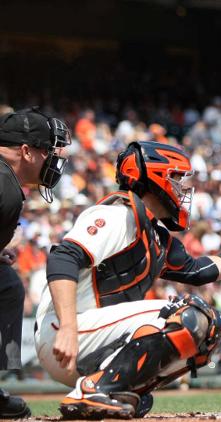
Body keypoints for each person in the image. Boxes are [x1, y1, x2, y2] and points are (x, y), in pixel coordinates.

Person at [34, 141, 221, 419]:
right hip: (65, 332)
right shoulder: (118, 214)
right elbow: (62, 258)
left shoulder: (154, 234)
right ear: (155, 176)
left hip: (93, 338)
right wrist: (67, 328)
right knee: (188, 314)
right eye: (176, 178)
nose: (182, 188)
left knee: (211, 329)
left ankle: (117, 390)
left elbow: (199, 271)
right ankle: (94, 389)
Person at [0, 107, 72, 419]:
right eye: (47, 151)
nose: (52, 160)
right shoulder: (5, 185)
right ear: (26, 151)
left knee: (7, 284)